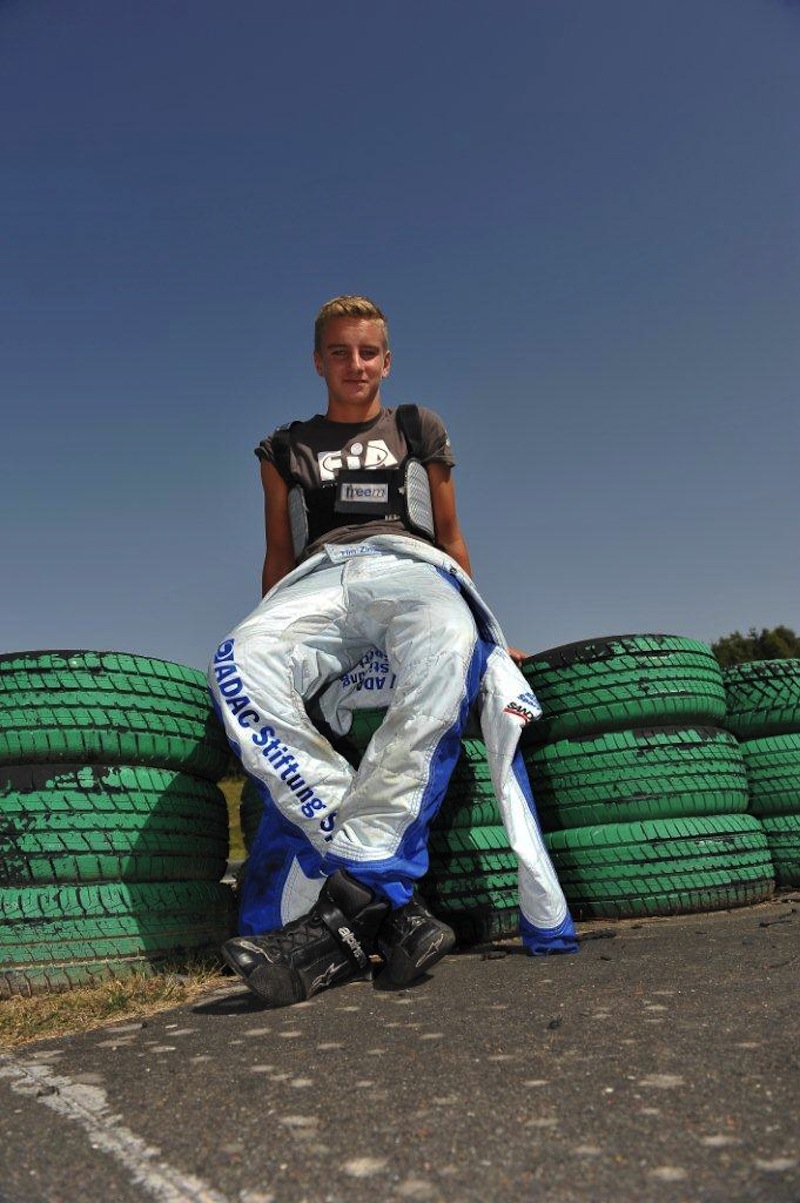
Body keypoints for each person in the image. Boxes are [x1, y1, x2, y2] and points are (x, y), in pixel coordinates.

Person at [209, 295, 576, 1009]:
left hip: (411, 569)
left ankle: (358, 891)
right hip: (315, 580)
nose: (355, 364)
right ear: (318, 362)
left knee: (447, 643)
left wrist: (485, 630)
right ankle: (387, 896)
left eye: (368, 352)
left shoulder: (417, 427)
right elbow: (277, 554)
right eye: (339, 352)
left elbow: (451, 534)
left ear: (387, 360)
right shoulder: (282, 448)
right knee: (237, 658)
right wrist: (271, 625)